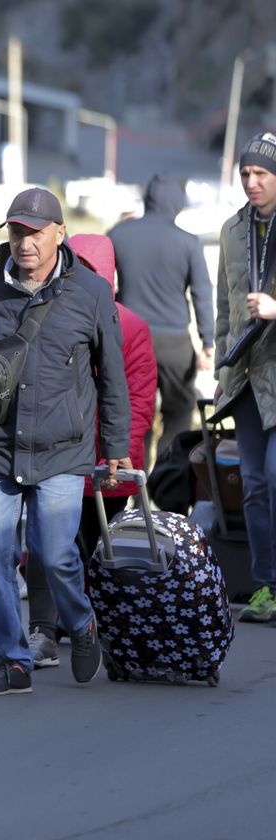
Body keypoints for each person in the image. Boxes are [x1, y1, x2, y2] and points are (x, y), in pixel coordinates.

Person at [0, 187, 131, 696]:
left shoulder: (90, 292)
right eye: (17, 231)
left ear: (58, 234)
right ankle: (12, 661)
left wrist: (116, 448)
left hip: (64, 449)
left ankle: (82, 624)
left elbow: (111, 378)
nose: (25, 242)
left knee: (53, 552)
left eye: (35, 232)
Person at [24, 233, 156, 668]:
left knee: (102, 553)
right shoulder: (41, 315)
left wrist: (123, 455)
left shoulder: (131, 327)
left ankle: (101, 626)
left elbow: (137, 399)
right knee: (45, 547)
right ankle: (44, 628)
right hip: (56, 456)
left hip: (104, 462)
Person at [108, 173, 213, 461]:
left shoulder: (118, 235)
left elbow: (100, 281)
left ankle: (131, 488)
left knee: (132, 415)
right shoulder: (189, 243)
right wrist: (207, 342)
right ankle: (167, 487)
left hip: (127, 341)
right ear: (177, 203)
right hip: (174, 343)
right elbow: (201, 294)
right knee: (178, 414)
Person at [215, 132, 276, 624]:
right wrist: (221, 370)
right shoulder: (231, 230)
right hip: (247, 379)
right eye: (246, 174)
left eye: (261, 174)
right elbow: (223, 312)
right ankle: (267, 586)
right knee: (253, 482)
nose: (251, 183)